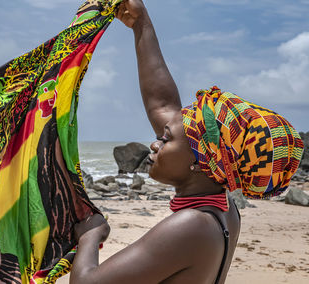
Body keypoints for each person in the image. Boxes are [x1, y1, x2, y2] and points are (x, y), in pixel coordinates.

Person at [70, 0, 303, 283]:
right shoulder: (222, 207)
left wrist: (90, 235)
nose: (154, 144)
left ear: (199, 161)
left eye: (165, 140)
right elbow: (162, 104)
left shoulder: (192, 226)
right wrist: (140, 24)